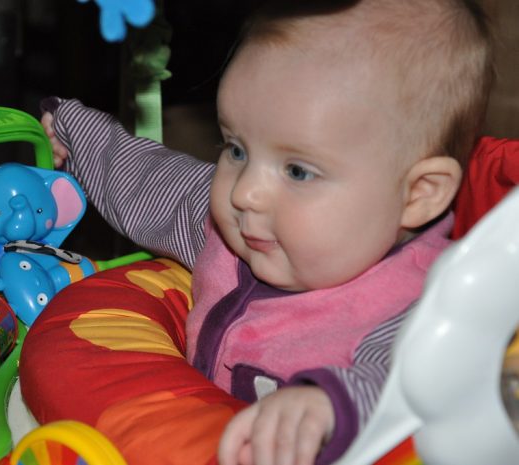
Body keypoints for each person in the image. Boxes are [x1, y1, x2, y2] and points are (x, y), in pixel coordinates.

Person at [38, 0, 494, 463]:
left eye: (297, 171)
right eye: (236, 149)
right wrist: (75, 131)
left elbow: (415, 379)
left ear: (418, 195)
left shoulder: (423, 303)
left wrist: (328, 403)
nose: (247, 193)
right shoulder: (233, 229)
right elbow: (150, 180)